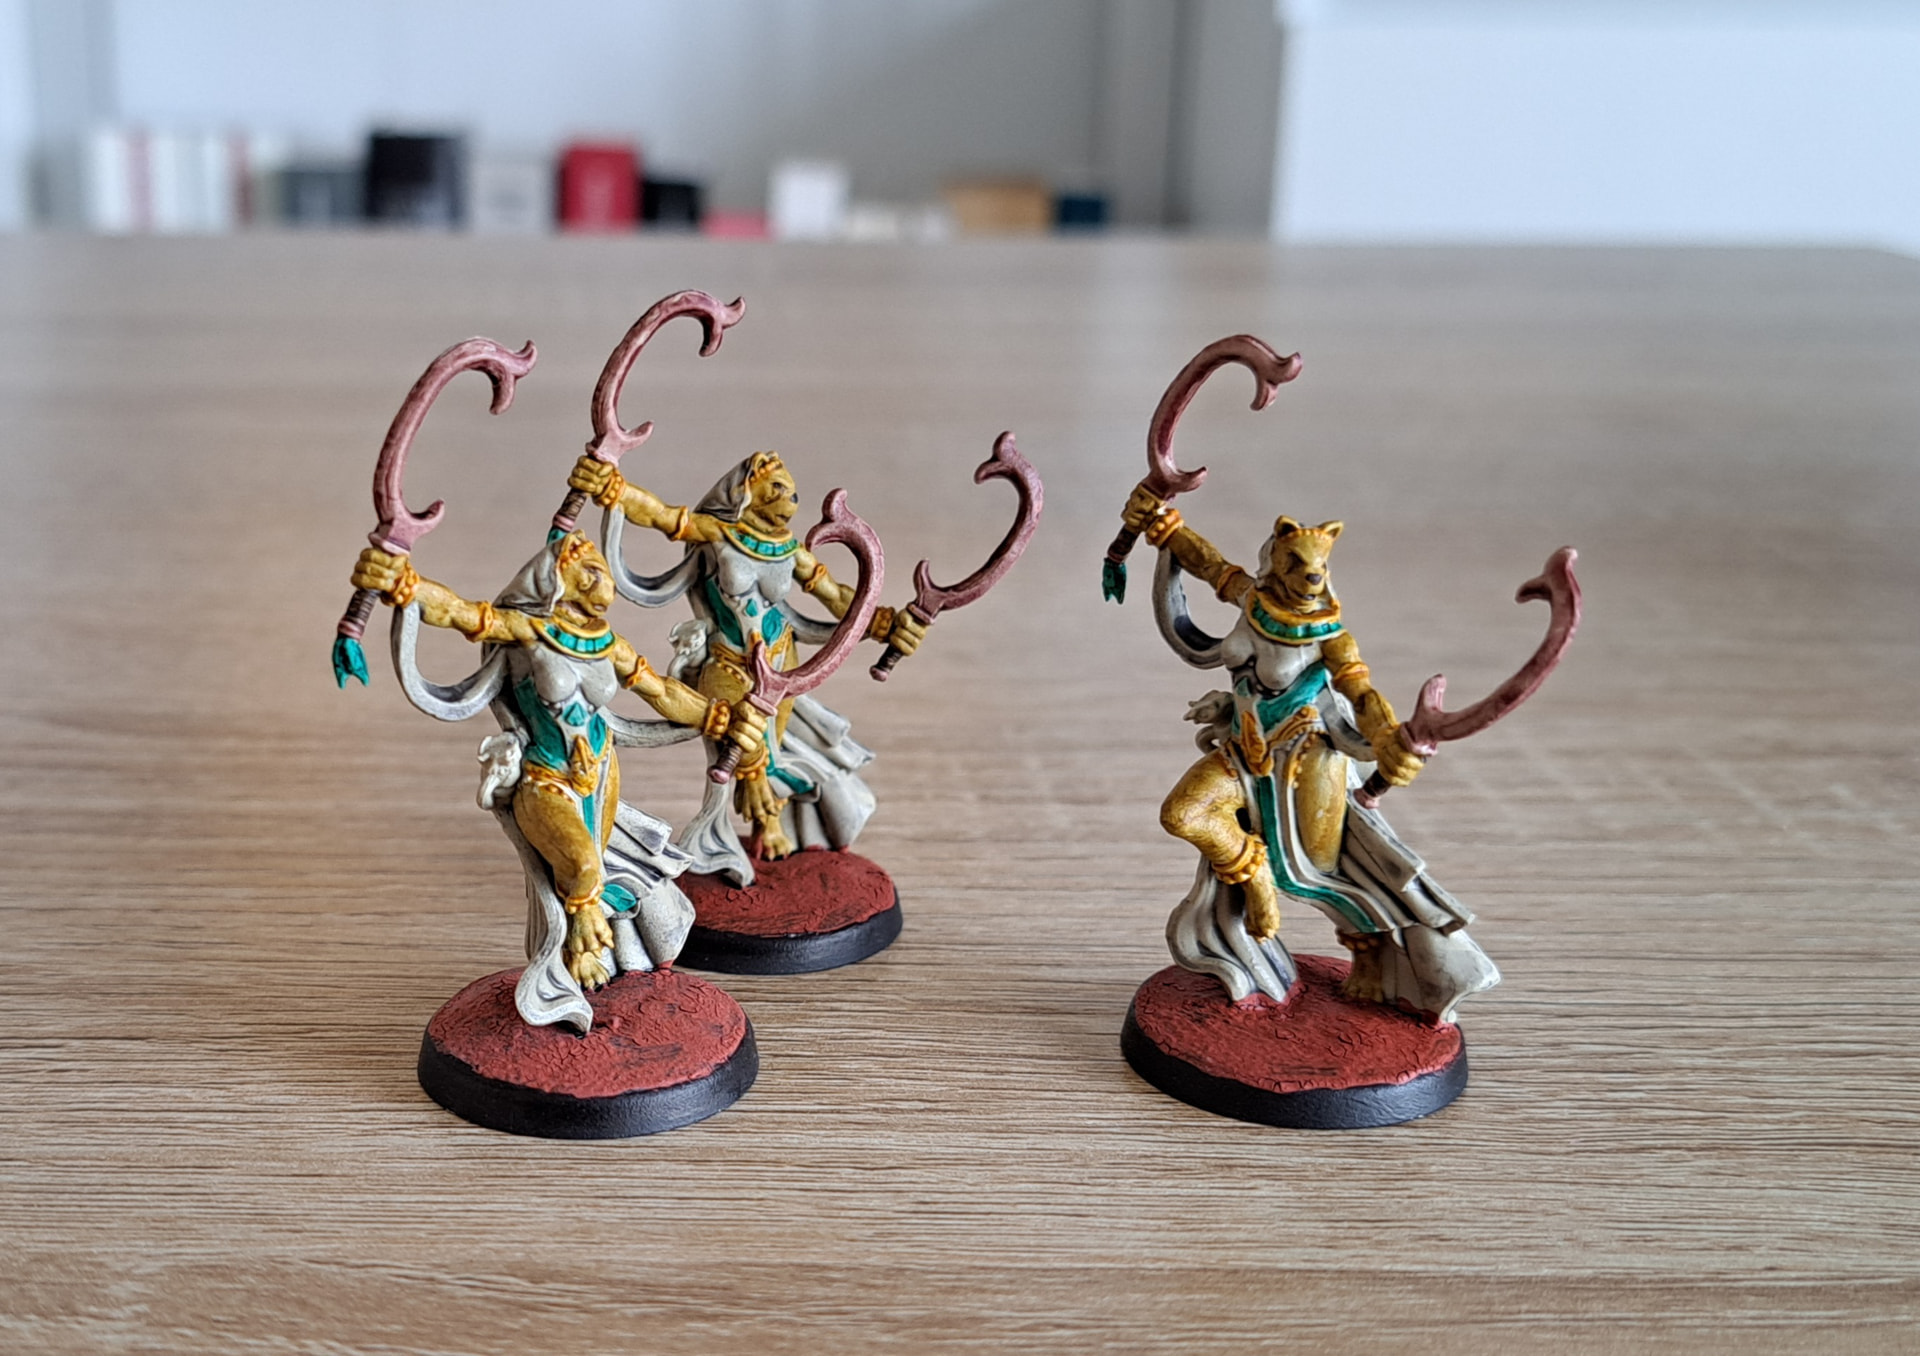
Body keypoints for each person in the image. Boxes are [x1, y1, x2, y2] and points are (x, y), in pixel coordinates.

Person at [351, 530, 767, 1028]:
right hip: (546, 779)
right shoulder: (527, 630)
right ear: (556, 577)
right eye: (588, 572)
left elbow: (660, 692)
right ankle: (571, 964)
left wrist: (719, 718)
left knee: (600, 866)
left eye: (601, 572)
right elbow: (460, 613)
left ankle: (606, 957)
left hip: (602, 775)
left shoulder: (606, 643)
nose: (602, 583)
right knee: (583, 868)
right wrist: (406, 584)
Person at [1123, 486, 1499, 1024]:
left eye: (1317, 566)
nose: (1310, 575)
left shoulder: (1331, 638)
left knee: (1323, 871)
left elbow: (1361, 694)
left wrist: (1387, 740)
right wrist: (1162, 525)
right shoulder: (1254, 601)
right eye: (1297, 563)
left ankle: (1373, 957)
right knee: (1182, 814)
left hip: (1306, 764)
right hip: (1246, 753)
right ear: (1277, 559)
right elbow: (1208, 566)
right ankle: (1251, 871)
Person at [569, 449, 923, 881]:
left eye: (791, 492)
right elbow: (662, 515)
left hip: (783, 661)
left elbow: (834, 595)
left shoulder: (789, 550)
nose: (789, 500)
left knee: (773, 747)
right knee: (746, 748)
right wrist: (614, 488)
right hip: (730, 663)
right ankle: (766, 823)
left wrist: (884, 623)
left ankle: (774, 824)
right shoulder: (720, 533)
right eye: (776, 489)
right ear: (746, 493)